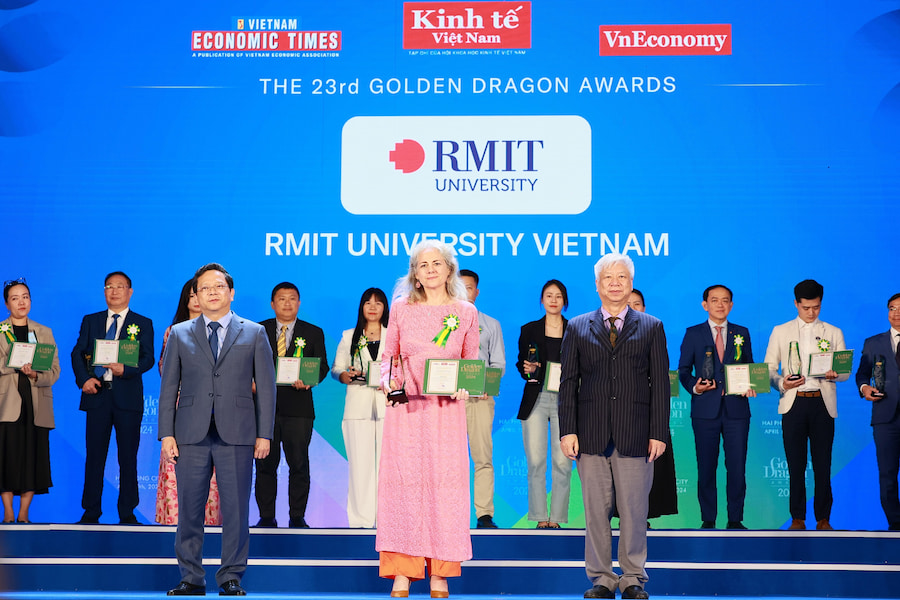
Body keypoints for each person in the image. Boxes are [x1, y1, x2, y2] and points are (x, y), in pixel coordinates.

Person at [158, 263, 276, 596]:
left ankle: (231, 576)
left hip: (237, 433)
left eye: (218, 286)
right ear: (196, 294)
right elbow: (169, 388)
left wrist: (264, 434)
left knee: (236, 511)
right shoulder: (180, 333)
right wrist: (167, 433)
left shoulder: (253, 332)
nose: (212, 292)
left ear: (231, 292)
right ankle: (191, 577)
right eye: (204, 288)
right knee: (189, 511)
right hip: (190, 434)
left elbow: (266, 388)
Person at [559, 253, 669, 600]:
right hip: (590, 435)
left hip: (635, 434)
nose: (616, 283)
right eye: (609, 277)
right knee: (595, 513)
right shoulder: (577, 326)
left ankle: (633, 576)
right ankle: (602, 578)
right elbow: (568, 384)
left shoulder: (651, 326)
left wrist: (658, 432)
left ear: (631, 283)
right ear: (597, 285)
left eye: (622, 277)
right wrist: (567, 430)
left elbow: (661, 386)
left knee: (636, 512)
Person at [377, 240, 478, 599]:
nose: (431, 269)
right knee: (403, 489)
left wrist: (467, 386)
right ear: (414, 274)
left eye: (438, 263)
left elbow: (471, 364)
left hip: (445, 415)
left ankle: (440, 573)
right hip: (405, 413)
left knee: (444, 491)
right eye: (423, 265)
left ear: (450, 270)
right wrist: (388, 382)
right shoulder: (401, 307)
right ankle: (402, 573)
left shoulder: (465, 312)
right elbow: (389, 357)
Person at [763, 279, 848, 531]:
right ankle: (797, 518)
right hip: (794, 404)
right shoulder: (781, 331)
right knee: (795, 464)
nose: (811, 313)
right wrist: (782, 383)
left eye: (816, 307)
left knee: (823, 464)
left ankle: (823, 518)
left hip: (822, 404)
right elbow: (768, 370)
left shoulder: (834, 332)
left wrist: (835, 374)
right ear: (796, 304)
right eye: (806, 308)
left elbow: (844, 372)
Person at [71, 271, 154, 525]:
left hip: (127, 399)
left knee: (128, 457)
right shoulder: (91, 320)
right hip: (97, 396)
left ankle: (127, 512)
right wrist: (84, 379)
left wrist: (126, 370)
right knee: (94, 456)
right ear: (104, 291)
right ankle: (91, 511)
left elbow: (148, 358)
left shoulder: (142, 322)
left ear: (130, 292)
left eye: (120, 287)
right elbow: (78, 352)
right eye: (109, 286)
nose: (114, 291)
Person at [677, 285, 755, 530]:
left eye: (725, 301)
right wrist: (695, 387)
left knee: (737, 467)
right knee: (706, 466)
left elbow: (749, 366)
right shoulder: (693, 333)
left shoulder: (742, 332)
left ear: (731, 305)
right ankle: (708, 518)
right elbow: (683, 371)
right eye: (714, 300)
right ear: (705, 304)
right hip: (705, 410)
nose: (720, 305)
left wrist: (751, 384)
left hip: (737, 410)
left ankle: (735, 519)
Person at [255, 282, 329, 529]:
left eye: (292, 299)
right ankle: (266, 517)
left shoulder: (313, 332)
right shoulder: (257, 330)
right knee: (265, 464)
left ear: (299, 303)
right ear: (272, 304)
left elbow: (321, 367)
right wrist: (250, 382)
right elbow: (246, 365)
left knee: (299, 464)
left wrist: (309, 381)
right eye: (282, 299)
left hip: (299, 410)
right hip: (264, 410)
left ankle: (297, 517)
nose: (287, 303)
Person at [155, 278, 220, 526]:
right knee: (177, 465)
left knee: (211, 469)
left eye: (200, 292)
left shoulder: (221, 329)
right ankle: (174, 524)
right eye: (191, 294)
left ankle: (210, 524)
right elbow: (165, 371)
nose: (195, 298)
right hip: (182, 406)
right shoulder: (174, 332)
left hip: (214, 407)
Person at [0, 279, 59, 523]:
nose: (21, 302)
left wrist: (36, 373)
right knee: (6, 458)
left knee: (33, 457)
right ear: (7, 303)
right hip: (7, 405)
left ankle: (24, 512)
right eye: (15, 298)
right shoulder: (0, 331)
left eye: (25, 297)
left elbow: (54, 370)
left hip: (36, 404)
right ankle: (9, 512)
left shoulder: (44, 332)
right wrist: (12, 364)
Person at [331, 287, 390, 528]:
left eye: (378, 303)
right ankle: (360, 521)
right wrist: (345, 375)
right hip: (357, 409)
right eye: (368, 302)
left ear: (385, 307)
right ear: (361, 307)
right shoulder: (349, 335)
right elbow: (337, 369)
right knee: (360, 467)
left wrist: (390, 380)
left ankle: (387, 520)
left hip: (388, 409)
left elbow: (403, 368)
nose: (373, 307)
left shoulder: (394, 334)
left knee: (387, 469)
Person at [516, 279, 571, 529]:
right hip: (536, 398)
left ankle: (557, 518)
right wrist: (527, 369)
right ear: (542, 300)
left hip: (565, 401)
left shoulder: (576, 330)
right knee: (536, 461)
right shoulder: (528, 329)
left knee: (562, 462)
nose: (553, 300)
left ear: (565, 301)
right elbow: (521, 363)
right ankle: (540, 516)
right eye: (549, 295)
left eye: (558, 296)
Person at [459, 269, 505, 529]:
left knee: (482, 456)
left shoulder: (491, 324)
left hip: (480, 399)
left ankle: (484, 514)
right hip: (449, 401)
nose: (465, 291)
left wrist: (488, 385)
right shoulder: (443, 322)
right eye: (460, 286)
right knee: (447, 459)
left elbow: (498, 362)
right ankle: (448, 512)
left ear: (477, 292)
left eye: (469, 287)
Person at [628, 290, 677, 524]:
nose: (633, 307)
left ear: (644, 307)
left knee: (649, 464)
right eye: (629, 304)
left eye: (637, 304)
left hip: (649, 410)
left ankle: (642, 515)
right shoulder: (607, 332)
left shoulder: (654, 330)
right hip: (618, 413)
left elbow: (661, 376)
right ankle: (620, 513)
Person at [855, 292, 900, 530]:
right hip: (885, 417)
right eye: (892, 308)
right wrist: (864, 388)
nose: (897, 313)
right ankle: (895, 525)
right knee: (888, 473)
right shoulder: (873, 342)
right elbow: (862, 374)